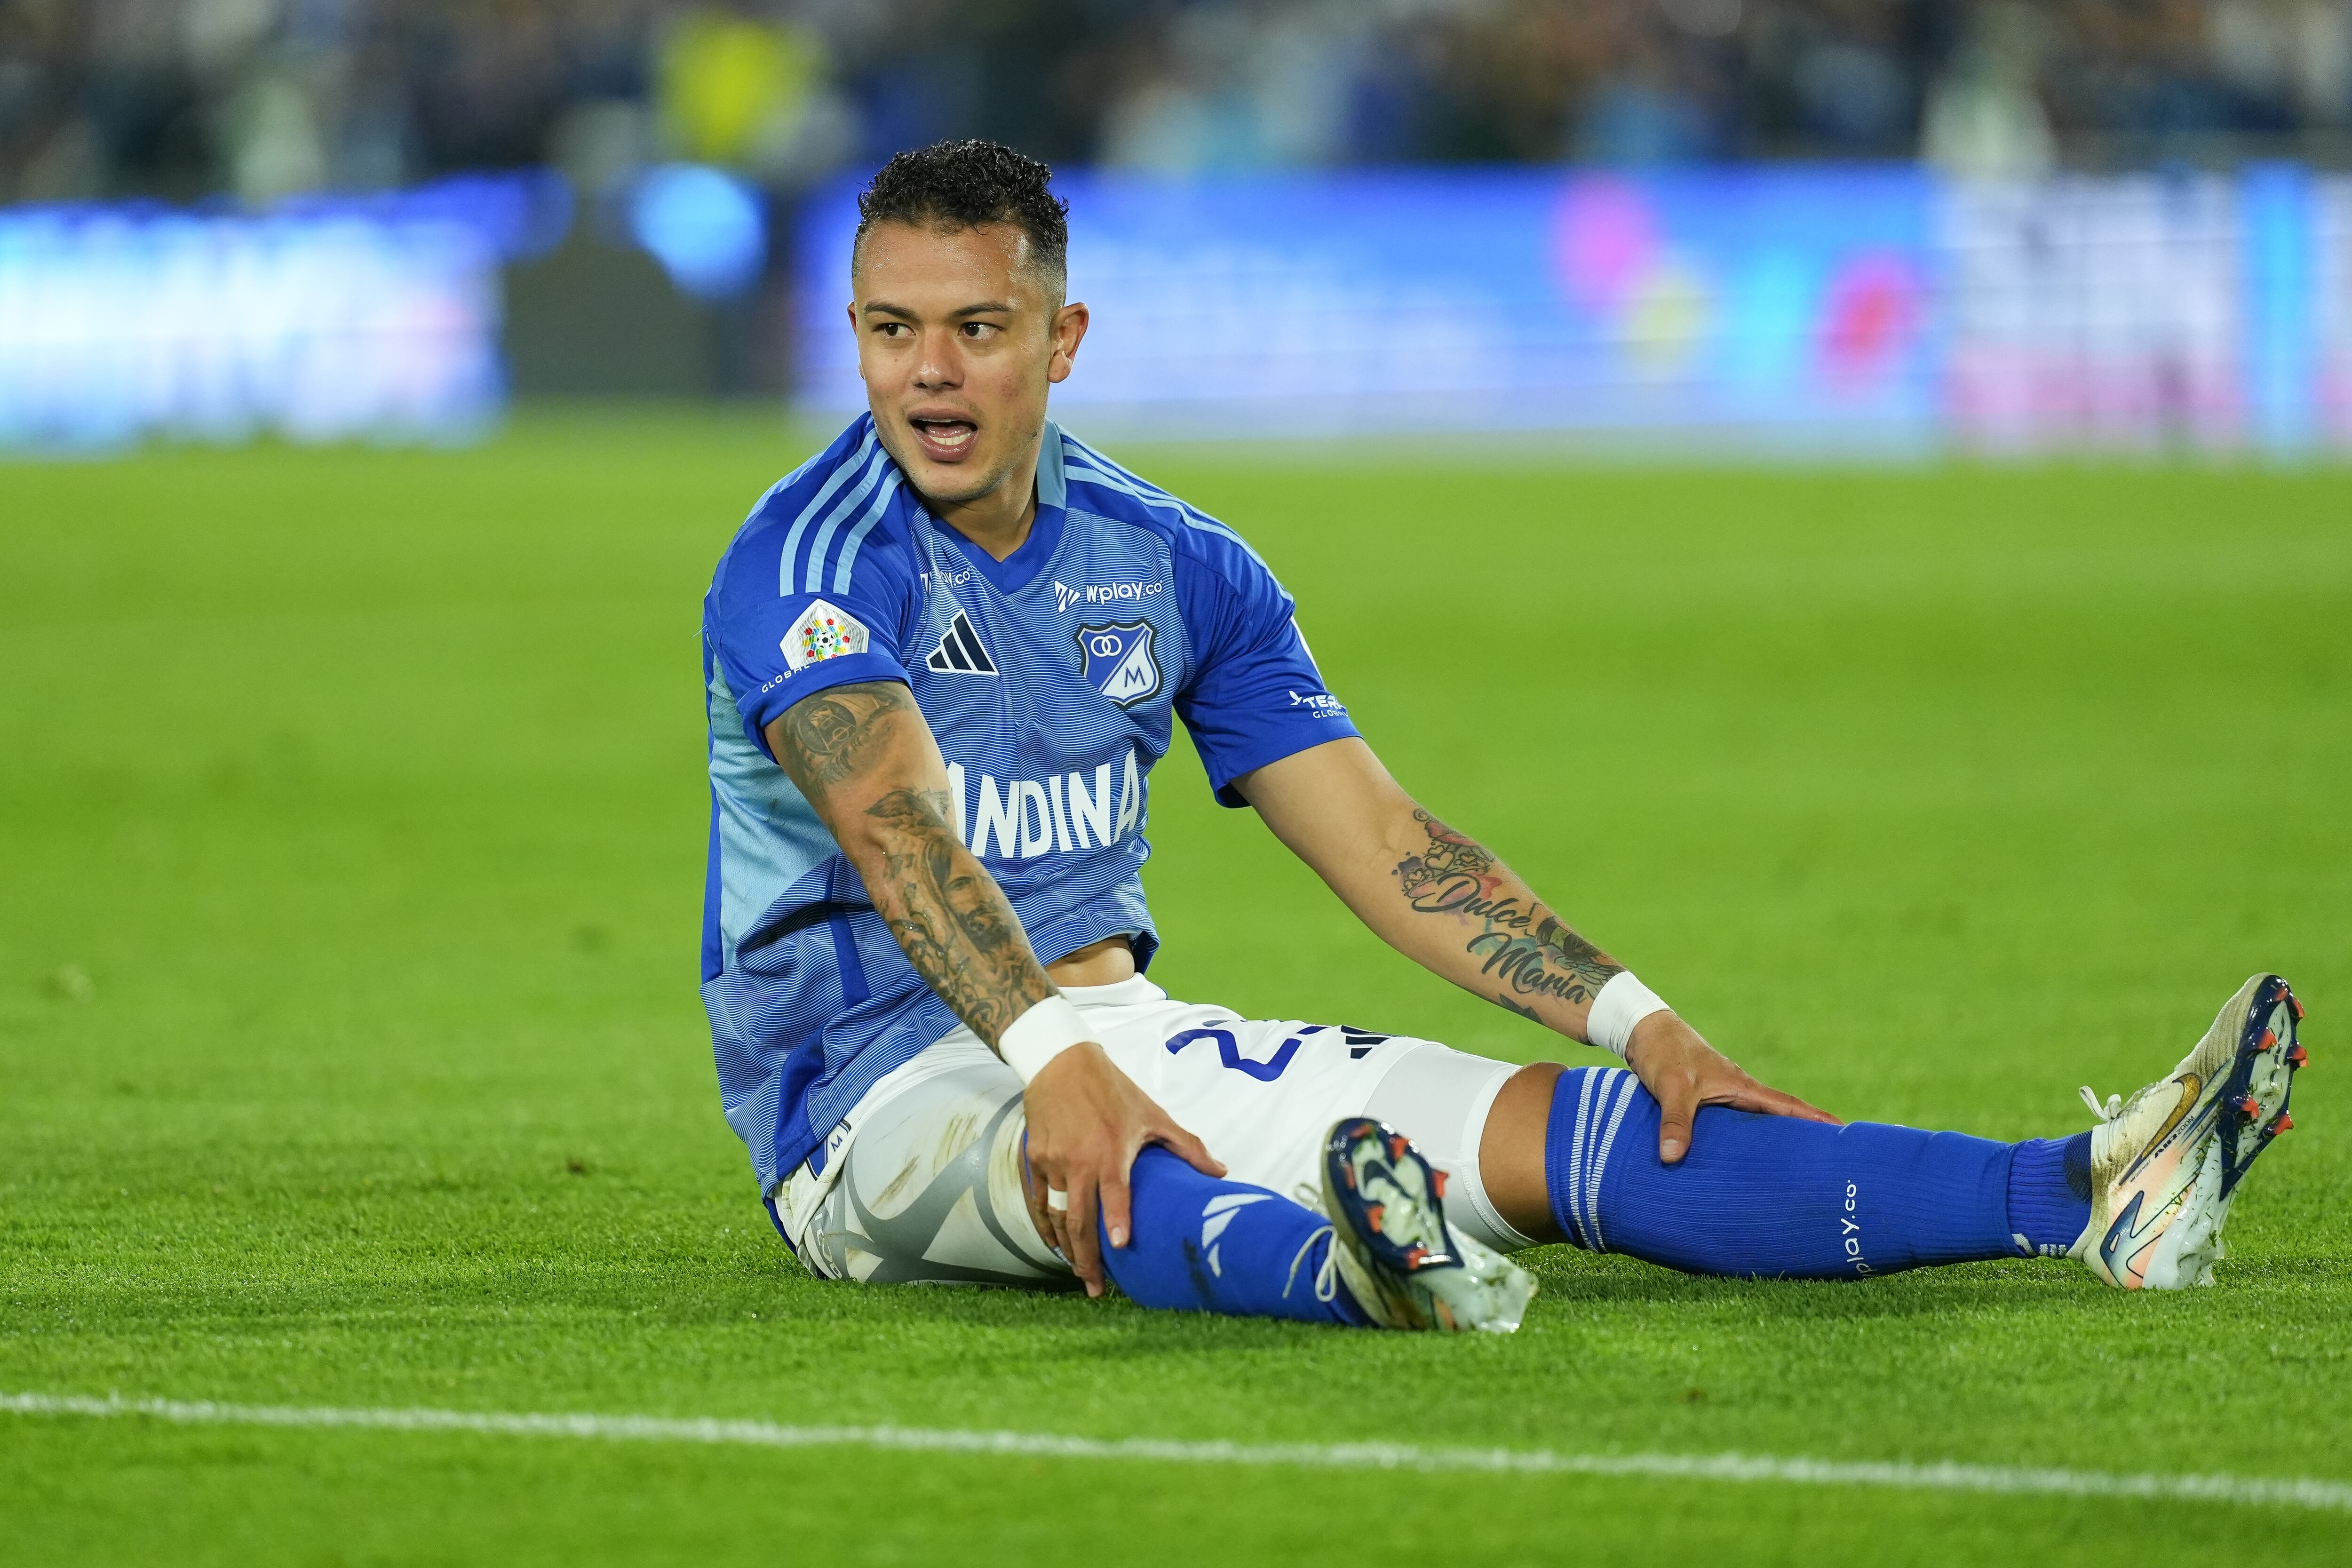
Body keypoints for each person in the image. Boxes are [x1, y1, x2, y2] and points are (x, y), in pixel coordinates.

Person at [698, 140, 2307, 1330]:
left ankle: (2087, 1195)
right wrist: (1054, 1064)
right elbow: (897, 831)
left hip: (1121, 1024)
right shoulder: (808, 556)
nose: (928, 373)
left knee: (1574, 1136)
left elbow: (1394, 847)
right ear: (852, 334)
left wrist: (1635, 1020)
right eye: (890, 329)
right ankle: (1354, 1270)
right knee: (1103, 1165)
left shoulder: (1180, 563)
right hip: (873, 1095)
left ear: (1062, 342)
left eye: (976, 328)